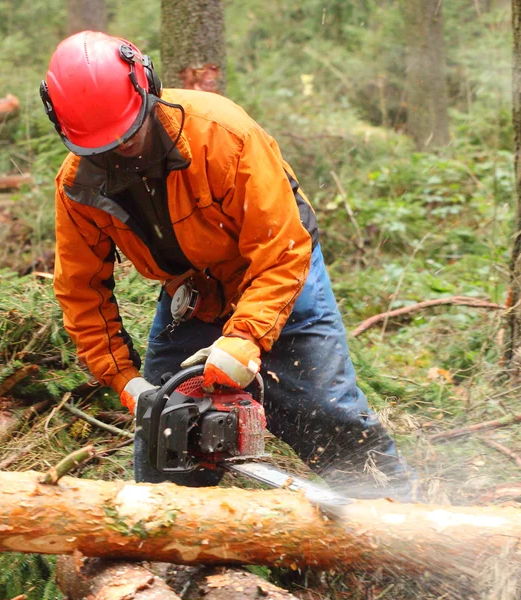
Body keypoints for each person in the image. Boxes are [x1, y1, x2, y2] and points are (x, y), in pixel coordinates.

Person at [42, 30, 417, 499]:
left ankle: (399, 518)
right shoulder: (78, 185)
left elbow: (282, 249)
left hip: (276, 270)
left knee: (327, 411)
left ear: (147, 87)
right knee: (164, 434)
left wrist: (244, 341)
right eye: (103, 146)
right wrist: (125, 380)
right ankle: (177, 560)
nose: (121, 151)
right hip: (194, 292)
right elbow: (82, 291)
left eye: (129, 134)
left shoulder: (222, 136)